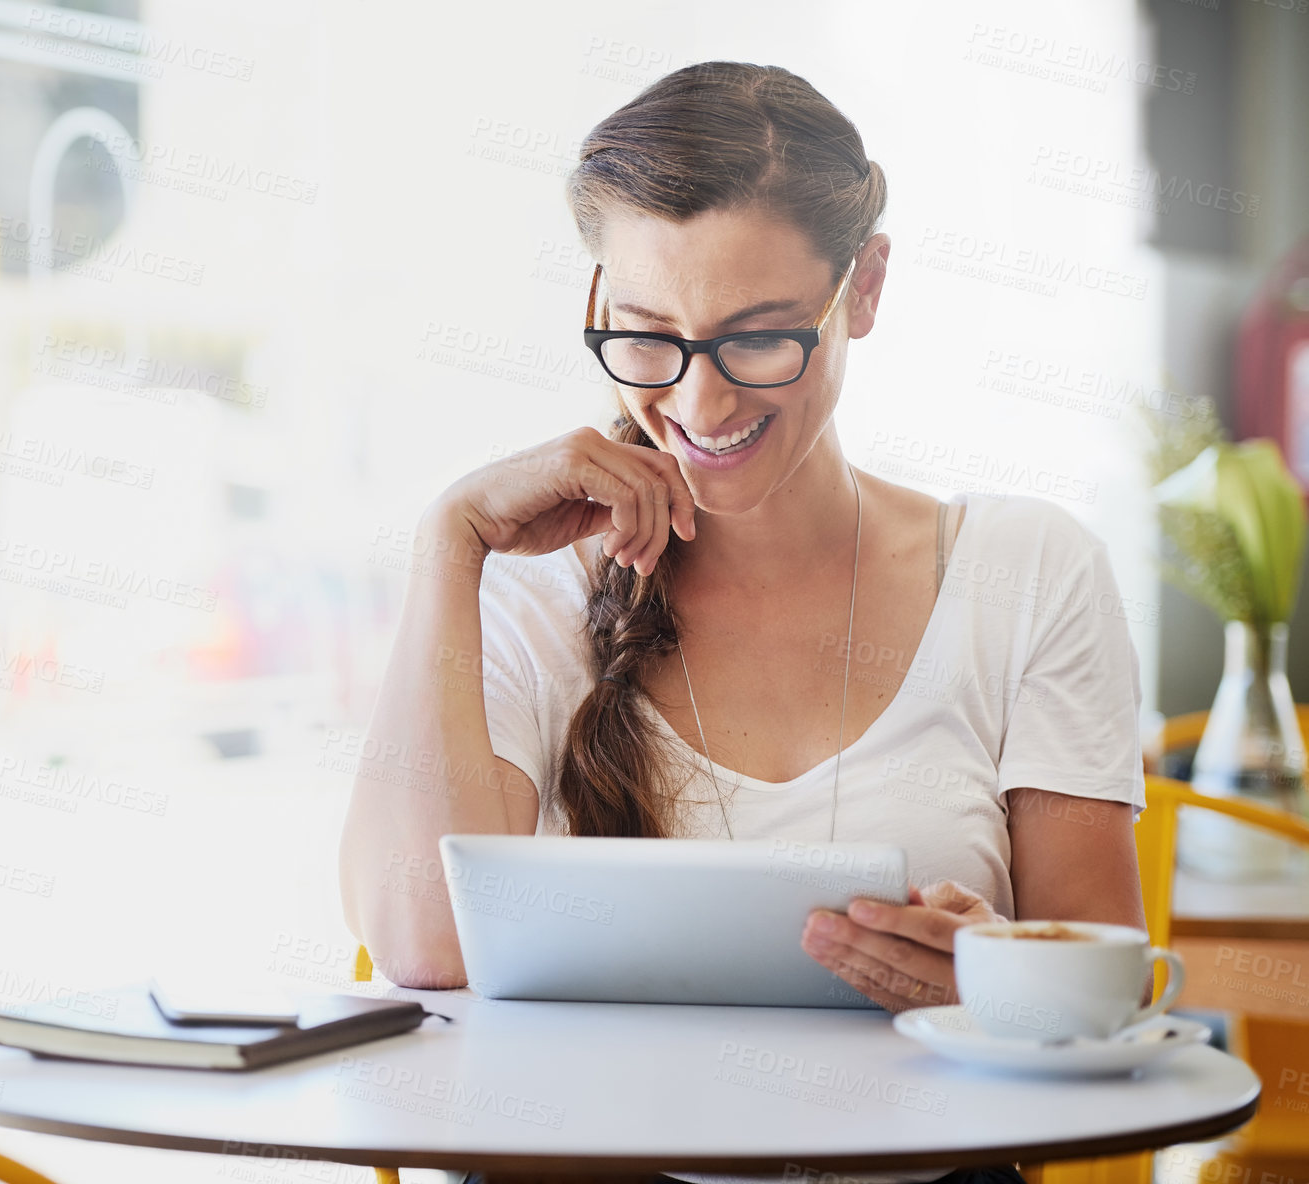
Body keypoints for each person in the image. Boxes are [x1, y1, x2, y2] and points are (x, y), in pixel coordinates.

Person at [337, 60, 1148, 1184]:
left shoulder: (1026, 571)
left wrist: (991, 983)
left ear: (861, 288)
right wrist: (448, 541)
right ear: (593, 307)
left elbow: (1103, 1004)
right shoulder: (530, 585)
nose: (699, 405)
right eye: (646, 334)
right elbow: (423, 944)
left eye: (758, 336)